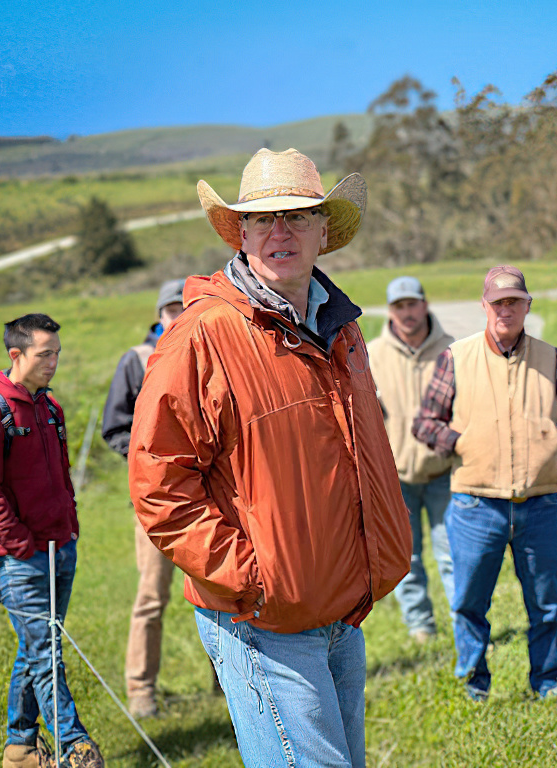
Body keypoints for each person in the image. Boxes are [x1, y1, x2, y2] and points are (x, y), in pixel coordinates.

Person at [127, 148, 411, 767]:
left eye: (297, 215)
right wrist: (255, 577)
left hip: (341, 611)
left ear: (323, 230)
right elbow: (158, 484)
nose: (280, 231)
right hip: (267, 622)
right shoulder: (201, 336)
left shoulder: (342, 326)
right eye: (263, 219)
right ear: (243, 232)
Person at [413, 265, 557, 701]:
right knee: (470, 604)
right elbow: (425, 423)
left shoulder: (552, 357)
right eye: (498, 302)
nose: (506, 309)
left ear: (528, 305)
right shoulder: (457, 357)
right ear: (484, 306)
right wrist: (462, 443)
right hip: (475, 505)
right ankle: (474, 684)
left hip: (541, 503)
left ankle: (549, 681)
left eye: (515, 301)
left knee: (546, 606)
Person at [0, 314, 103, 768]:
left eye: (57, 353)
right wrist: (19, 544)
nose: (54, 363)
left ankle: (20, 748)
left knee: (36, 646)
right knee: (46, 652)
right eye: (45, 354)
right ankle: (74, 745)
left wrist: (70, 526)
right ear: (16, 355)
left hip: (61, 548)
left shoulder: (50, 408)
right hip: (18, 559)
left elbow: (62, 475)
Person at [101, 279, 196, 719]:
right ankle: (142, 692)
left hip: (208, 499)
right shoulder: (136, 361)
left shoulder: (207, 352)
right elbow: (115, 427)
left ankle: (228, 679)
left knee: (220, 592)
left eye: (186, 307)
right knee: (152, 597)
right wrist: (148, 459)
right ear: (159, 315)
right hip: (155, 503)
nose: (178, 316)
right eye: (171, 309)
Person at [367, 276, 455, 643]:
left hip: (445, 471)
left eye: (412, 304)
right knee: (408, 558)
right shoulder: (370, 353)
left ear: (425, 304)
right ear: (390, 311)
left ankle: (464, 621)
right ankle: (421, 628)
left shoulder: (453, 350)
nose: (406, 312)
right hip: (396, 476)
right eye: (399, 306)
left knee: (454, 555)